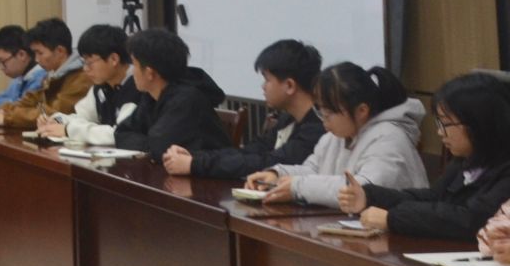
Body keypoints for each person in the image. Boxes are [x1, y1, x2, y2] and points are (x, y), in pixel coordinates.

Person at [339, 71, 510, 239]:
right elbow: (433, 198)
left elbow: (472, 220)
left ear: (478, 124)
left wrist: (393, 219)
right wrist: (369, 197)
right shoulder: (465, 161)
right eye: (439, 123)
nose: (439, 132)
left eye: (446, 124)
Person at [251, 62, 425, 209]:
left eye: (329, 112)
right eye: (320, 111)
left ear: (361, 111)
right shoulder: (335, 136)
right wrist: (277, 175)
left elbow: (361, 190)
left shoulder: (389, 138)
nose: (324, 119)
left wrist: (297, 187)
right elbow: (313, 170)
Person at [162, 38, 323, 179]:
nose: (263, 86)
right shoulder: (288, 118)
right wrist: (194, 157)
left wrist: (195, 164)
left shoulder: (318, 127)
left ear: (289, 86)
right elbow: (252, 151)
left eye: (267, 80)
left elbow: (268, 162)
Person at [116, 29, 230, 160]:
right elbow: (121, 133)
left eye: (134, 65)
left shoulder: (186, 99)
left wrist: (146, 144)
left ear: (150, 73)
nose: (132, 72)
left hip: (205, 171)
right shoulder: (151, 96)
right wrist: (147, 144)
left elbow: (160, 148)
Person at [38, 25, 145, 136]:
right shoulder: (101, 87)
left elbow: (119, 134)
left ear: (114, 59)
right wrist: (56, 120)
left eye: (89, 62)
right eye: (83, 62)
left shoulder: (138, 87)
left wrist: (68, 130)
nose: (85, 69)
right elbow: (80, 116)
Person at [0, 18, 88, 131]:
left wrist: (8, 117)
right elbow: (30, 101)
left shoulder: (82, 78)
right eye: (35, 53)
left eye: (40, 53)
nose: (36, 59)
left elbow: (55, 114)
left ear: (60, 51)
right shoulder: (52, 74)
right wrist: (5, 110)